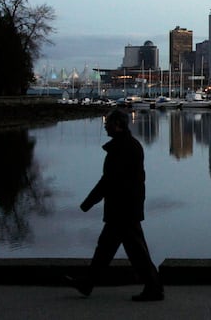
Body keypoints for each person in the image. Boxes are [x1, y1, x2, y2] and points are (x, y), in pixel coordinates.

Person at [65, 109, 164, 302]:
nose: (104, 125)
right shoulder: (129, 145)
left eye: (107, 122)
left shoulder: (123, 148)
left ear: (117, 124)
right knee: (108, 249)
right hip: (126, 207)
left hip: (123, 208)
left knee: (132, 251)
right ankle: (88, 283)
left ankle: (153, 288)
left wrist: (88, 202)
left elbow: (109, 180)